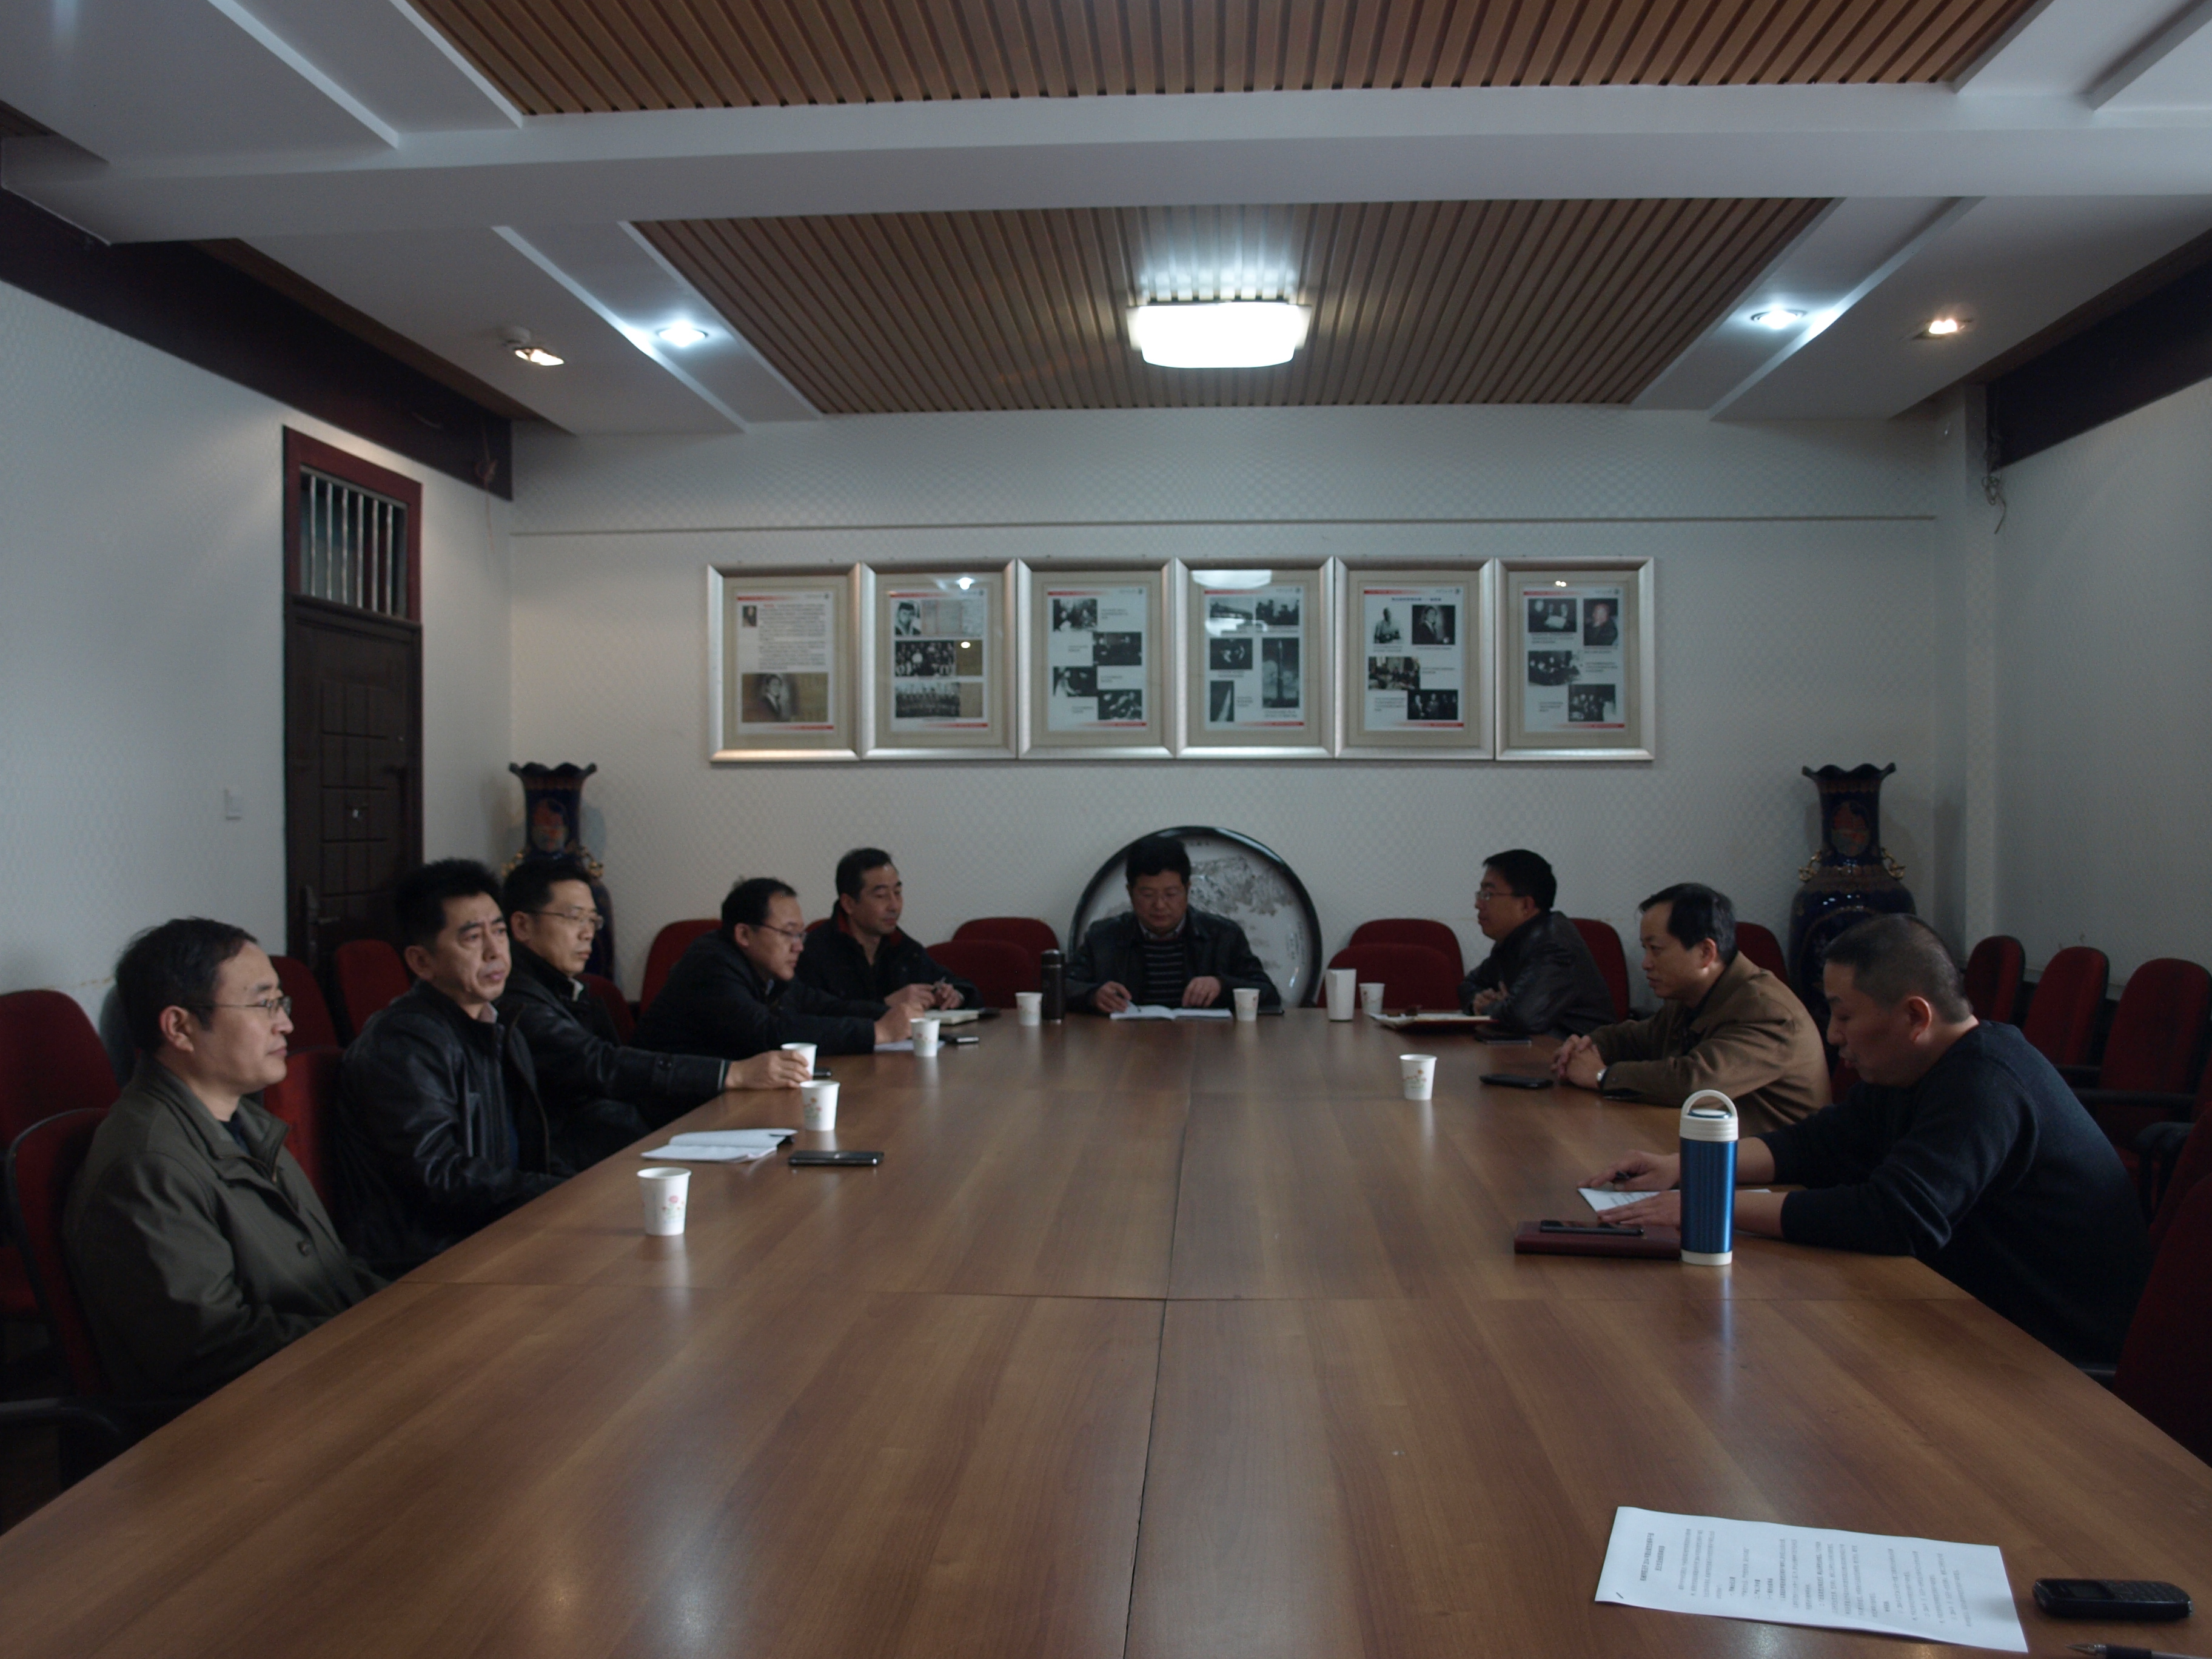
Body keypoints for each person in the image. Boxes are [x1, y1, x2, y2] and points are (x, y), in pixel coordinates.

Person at [1590, 916, 2150, 1364]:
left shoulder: (1985, 1084)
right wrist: (1690, 1167)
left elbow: (1895, 1217)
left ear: (1914, 1017)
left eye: (1844, 1016)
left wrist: (1712, 1207)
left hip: (2043, 1354)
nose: (1833, 1036)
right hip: (1966, 1312)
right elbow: (1823, 1143)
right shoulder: (1917, 1066)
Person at [64, 920, 380, 1399]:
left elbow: (331, 1274)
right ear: (180, 1027)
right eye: (263, 1004)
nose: (286, 1024)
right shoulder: (148, 1167)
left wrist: (410, 1310)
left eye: (282, 1002)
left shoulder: (247, 1122)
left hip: (324, 1370)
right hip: (259, 1414)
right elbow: (213, 1350)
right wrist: (374, 1338)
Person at [335, 860, 566, 1275]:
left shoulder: (497, 1023)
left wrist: (576, 1186)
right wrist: (559, 1193)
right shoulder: (402, 1044)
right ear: (422, 962)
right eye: (473, 938)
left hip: (491, 1234)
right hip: (427, 1261)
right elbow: (438, 1174)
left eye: (499, 931)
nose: (495, 951)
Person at [501, 858, 808, 1166]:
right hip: (573, 1164)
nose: (587, 933)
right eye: (574, 918)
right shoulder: (518, 1001)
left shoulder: (572, 989)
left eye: (593, 920)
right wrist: (732, 1074)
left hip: (618, 1136)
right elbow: (602, 1064)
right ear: (523, 926)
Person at [1551, 883, 1826, 1133]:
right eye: (1645, 949)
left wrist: (1602, 1076)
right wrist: (1590, 1046)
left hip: (1776, 1166)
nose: (1646, 963)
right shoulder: (1690, 995)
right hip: (1705, 1145)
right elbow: (1640, 1038)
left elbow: (1695, 1083)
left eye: (1656, 949)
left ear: (1706, 952)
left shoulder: (1769, 1012)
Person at [634, 877, 914, 1059]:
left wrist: (888, 1014)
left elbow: (821, 1005)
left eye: (801, 935)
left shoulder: (767, 969)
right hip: (670, 1109)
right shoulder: (711, 966)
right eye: (788, 933)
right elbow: (768, 1033)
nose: (799, 946)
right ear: (744, 935)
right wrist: (877, 1032)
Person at [1066, 836, 1280, 1013]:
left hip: (1203, 1045)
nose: (1159, 905)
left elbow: (1268, 994)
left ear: (1187, 890)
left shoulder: (1224, 935)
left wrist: (1222, 985)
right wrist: (1092, 995)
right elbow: (1062, 988)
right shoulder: (1103, 937)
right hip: (1128, 1045)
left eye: (1171, 894)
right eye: (1147, 895)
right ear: (1130, 893)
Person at [795, 848, 976, 1012]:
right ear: (849, 904)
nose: (894, 906)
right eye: (881, 896)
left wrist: (956, 995)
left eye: (897, 893)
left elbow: (961, 985)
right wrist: (885, 1005)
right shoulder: (813, 952)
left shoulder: (902, 947)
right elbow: (814, 1018)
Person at [1457, 849, 1614, 1037]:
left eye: (1488, 894)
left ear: (1526, 905)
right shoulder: (1512, 940)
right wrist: (1479, 1000)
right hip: (1535, 1048)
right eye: (1480, 894)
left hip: (1577, 1050)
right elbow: (1469, 985)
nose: (1478, 904)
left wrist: (1488, 1007)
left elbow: (1522, 1017)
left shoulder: (1553, 944)